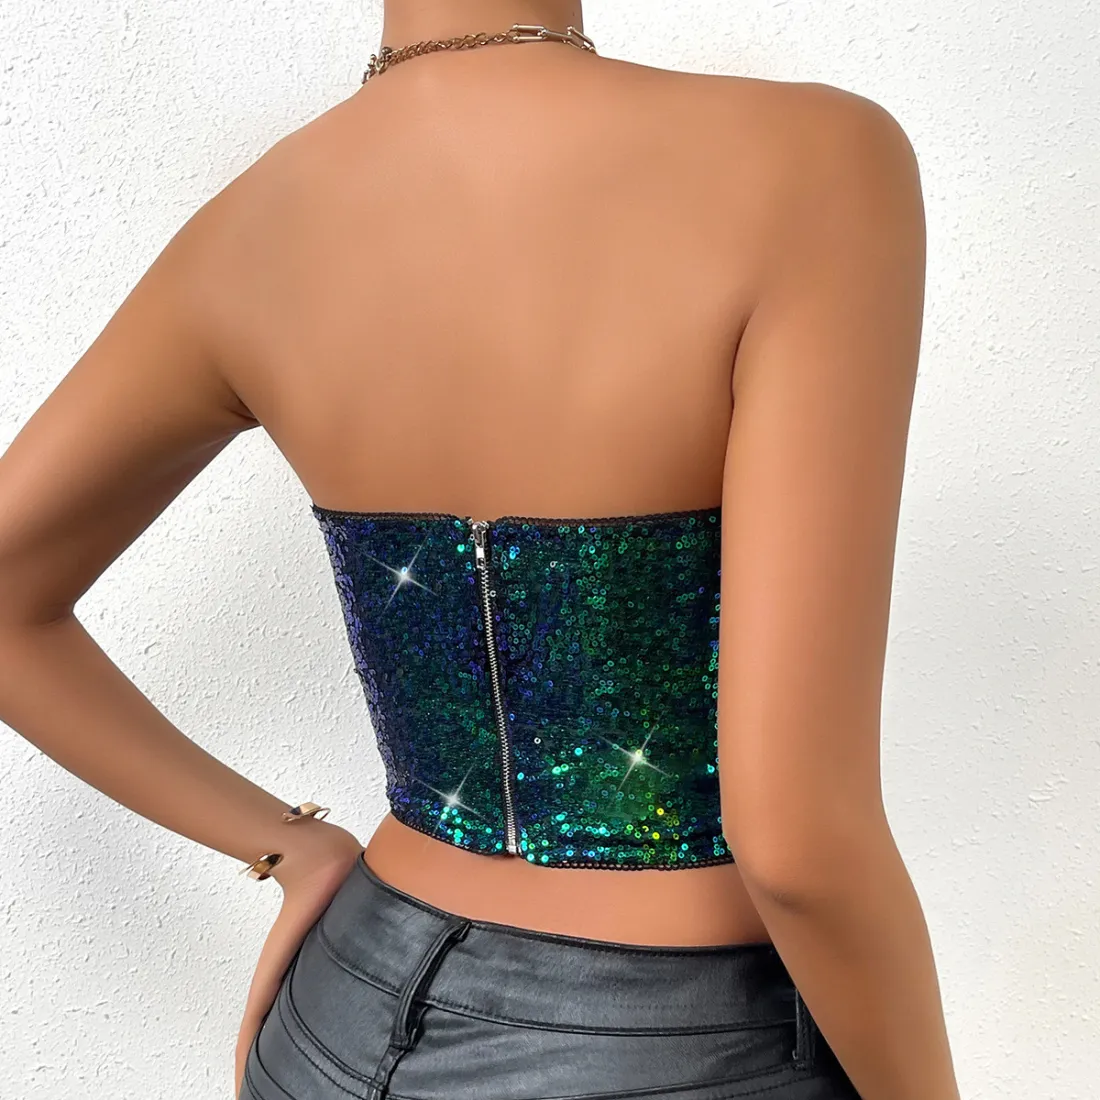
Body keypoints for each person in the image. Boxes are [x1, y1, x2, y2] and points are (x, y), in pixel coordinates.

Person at [0, 2, 962, 1098]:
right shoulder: (816, 159)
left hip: (333, 1018)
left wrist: (290, 846)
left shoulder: (246, 228)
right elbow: (795, 846)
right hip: (674, 1041)